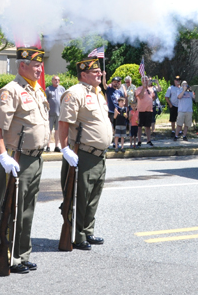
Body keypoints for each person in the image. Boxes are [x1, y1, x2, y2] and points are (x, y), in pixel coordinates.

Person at [0, 47, 50, 274]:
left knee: (26, 210)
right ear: (22, 65)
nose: (39, 69)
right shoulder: (10, 91)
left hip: (35, 158)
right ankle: (8, 255)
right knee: (11, 210)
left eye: (40, 65)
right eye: (35, 65)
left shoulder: (37, 90)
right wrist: (2, 156)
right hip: (16, 158)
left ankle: (22, 254)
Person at [57, 57, 113, 250]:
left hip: (99, 154)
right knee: (80, 195)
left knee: (93, 195)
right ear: (83, 74)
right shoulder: (74, 93)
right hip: (84, 152)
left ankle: (88, 231)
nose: (100, 74)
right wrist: (65, 149)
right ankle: (78, 236)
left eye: (99, 71)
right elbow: (64, 123)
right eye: (95, 72)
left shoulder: (99, 93)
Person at [45, 75, 66, 152]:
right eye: (55, 80)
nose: (57, 81)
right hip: (50, 113)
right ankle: (48, 146)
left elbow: (65, 100)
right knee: (49, 130)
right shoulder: (48, 89)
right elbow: (45, 101)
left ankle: (57, 146)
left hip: (59, 114)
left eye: (58, 80)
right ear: (52, 81)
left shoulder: (62, 89)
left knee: (57, 131)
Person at [135, 76, 156, 146]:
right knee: (140, 126)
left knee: (148, 126)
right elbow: (140, 97)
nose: (145, 82)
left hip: (149, 110)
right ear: (141, 81)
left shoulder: (150, 89)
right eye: (144, 80)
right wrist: (143, 88)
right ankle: (139, 141)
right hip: (141, 110)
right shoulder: (139, 89)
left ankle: (149, 140)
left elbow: (153, 97)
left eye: (146, 80)